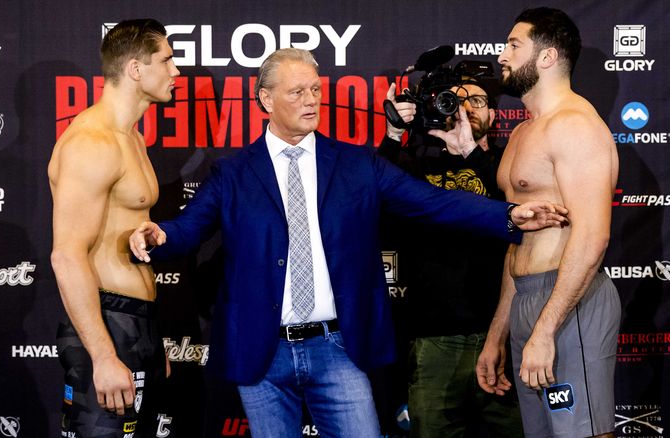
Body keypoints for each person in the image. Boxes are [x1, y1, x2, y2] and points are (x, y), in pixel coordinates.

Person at [128, 48, 566, 438]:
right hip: (262, 353)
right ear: (266, 99)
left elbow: (433, 203)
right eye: (297, 92)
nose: (311, 101)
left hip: (338, 348)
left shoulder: (358, 164)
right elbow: (188, 229)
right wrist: (160, 236)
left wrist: (508, 215)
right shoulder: (234, 173)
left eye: (314, 90)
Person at [475, 7, 620, 438]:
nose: (502, 55)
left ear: (547, 57)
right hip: (528, 299)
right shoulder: (523, 133)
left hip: (568, 303)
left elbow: (593, 237)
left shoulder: (575, 126)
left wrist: (546, 328)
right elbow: (519, 242)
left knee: (582, 433)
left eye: (513, 45)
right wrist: (498, 333)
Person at [48, 18, 179, 437]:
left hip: (137, 324)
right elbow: (67, 256)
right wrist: (103, 355)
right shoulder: (93, 141)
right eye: (168, 60)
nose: (176, 72)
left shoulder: (131, 138)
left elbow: (117, 226)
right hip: (105, 323)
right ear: (136, 69)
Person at [380, 77, 523, 437]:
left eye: (477, 99)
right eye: (455, 100)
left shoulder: (510, 162)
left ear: (494, 111)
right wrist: (393, 136)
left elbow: (523, 213)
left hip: (506, 333)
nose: (467, 108)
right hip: (434, 340)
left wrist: (471, 153)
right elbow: (371, 199)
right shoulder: (417, 165)